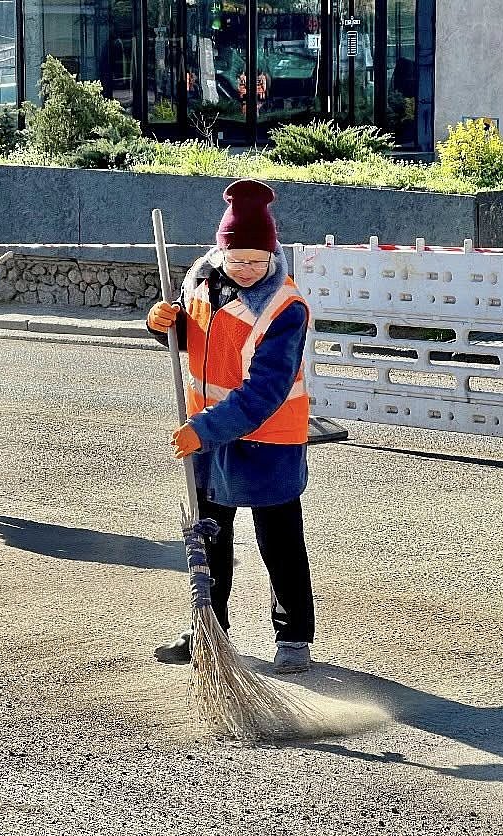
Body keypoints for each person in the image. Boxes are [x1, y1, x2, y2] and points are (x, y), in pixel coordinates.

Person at [146, 178, 315, 674]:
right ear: (221, 252)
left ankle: (294, 639)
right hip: (210, 433)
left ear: (273, 255)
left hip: (267, 437)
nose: (245, 269)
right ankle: (208, 633)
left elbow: (265, 391)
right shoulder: (200, 282)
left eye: (256, 261)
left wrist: (203, 430)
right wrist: (163, 326)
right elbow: (194, 347)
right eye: (236, 259)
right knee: (210, 536)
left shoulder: (285, 308)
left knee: (278, 539)